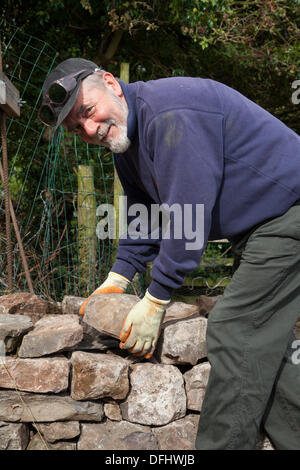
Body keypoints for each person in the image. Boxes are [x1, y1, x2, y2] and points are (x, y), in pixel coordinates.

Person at [38, 57, 300, 450]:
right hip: (263, 227)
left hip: (288, 216)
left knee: (234, 329)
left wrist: (157, 297)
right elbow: (143, 211)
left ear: (111, 82)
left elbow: (187, 213)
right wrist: (119, 276)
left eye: (88, 112)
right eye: (78, 129)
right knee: (262, 344)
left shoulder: (172, 114)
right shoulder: (127, 138)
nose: (90, 129)